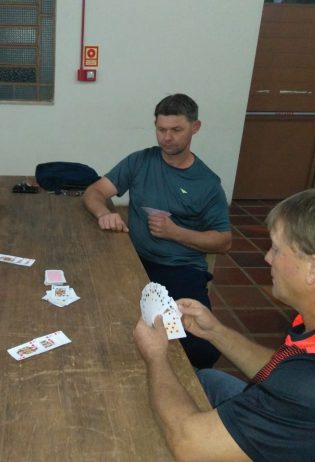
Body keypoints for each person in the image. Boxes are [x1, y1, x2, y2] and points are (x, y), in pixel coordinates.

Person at [133, 188, 315, 462]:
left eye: (276, 248)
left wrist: (156, 356)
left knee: (152, 421)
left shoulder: (311, 384)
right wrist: (216, 332)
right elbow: (282, 369)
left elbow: (190, 446)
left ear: (314, 268)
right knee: (206, 379)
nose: (267, 258)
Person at [83, 93, 231, 369]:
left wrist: (176, 232)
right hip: (133, 258)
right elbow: (95, 191)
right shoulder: (140, 161)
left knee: (202, 350)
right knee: (98, 316)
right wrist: (104, 213)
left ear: (195, 127)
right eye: (161, 129)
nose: (167, 138)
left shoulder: (207, 183)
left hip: (180, 268)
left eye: (176, 130)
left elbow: (223, 241)